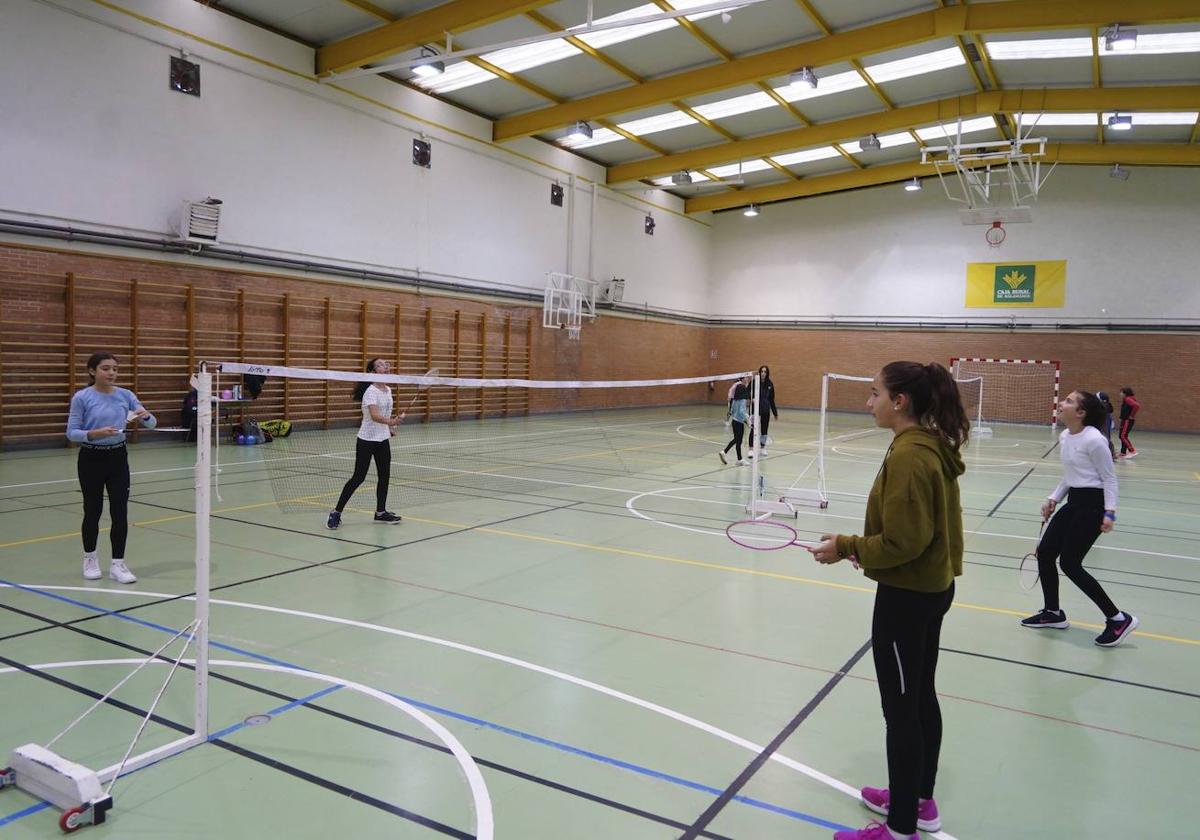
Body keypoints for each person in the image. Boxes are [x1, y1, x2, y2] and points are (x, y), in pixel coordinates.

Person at [808, 361, 968, 840]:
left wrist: (848, 547)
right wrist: (869, 552)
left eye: (874, 393)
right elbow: (928, 537)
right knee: (919, 699)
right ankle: (916, 802)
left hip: (908, 598)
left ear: (899, 402)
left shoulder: (911, 456)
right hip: (930, 587)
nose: (868, 401)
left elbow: (905, 542)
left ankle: (901, 829)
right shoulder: (925, 446)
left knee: (902, 713)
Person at [1020, 390, 1138, 646]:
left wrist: (1110, 512)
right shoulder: (1065, 436)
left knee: (1071, 564)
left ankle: (1118, 619)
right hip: (1074, 501)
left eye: (1069, 401)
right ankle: (1053, 612)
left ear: (1081, 413)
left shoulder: (1094, 440)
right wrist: (1053, 498)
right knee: (1046, 552)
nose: (1062, 403)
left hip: (1093, 506)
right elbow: (1072, 474)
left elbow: (1108, 478)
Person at [66, 352, 157, 584]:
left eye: (115, 369)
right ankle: (90, 559)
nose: (111, 373)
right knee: (92, 510)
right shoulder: (82, 397)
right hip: (91, 459)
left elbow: (153, 423)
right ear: (92, 371)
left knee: (120, 511)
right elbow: (72, 432)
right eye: (106, 368)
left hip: (118, 458)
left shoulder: (126, 395)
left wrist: (144, 416)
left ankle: (118, 564)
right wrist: (94, 434)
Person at [326, 359, 404, 529]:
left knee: (384, 476)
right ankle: (336, 512)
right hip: (366, 440)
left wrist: (390, 427)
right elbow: (375, 416)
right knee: (358, 477)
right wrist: (391, 421)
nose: (386, 366)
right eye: (381, 364)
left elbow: (385, 413)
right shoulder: (370, 391)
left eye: (386, 364)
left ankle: (380, 512)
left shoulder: (388, 389)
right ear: (372, 372)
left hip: (382, 439)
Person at [747, 365, 779, 457]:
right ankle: (751, 449)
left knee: (764, 430)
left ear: (767, 373)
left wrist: (775, 412)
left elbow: (772, 399)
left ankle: (763, 448)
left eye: (765, 372)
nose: (763, 373)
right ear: (759, 372)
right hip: (755, 410)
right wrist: (751, 398)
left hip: (765, 410)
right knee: (753, 429)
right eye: (762, 371)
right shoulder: (754, 382)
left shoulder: (770, 384)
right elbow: (748, 392)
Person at [718, 376, 750, 466]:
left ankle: (725, 453)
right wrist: (747, 420)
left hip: (734, 422)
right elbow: (741, 412)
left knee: (737, 440)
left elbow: (732, 411)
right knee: (738, 441)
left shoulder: (735, 400)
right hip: (739, 423)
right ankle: (738, 459)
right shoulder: (743, 400)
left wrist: (745, 420)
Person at [1117, 386, 1140, 458]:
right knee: (1123, 436)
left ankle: (1132, 451)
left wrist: (1131, 416)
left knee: (1122, 436)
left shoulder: (1128, 399)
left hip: (1127, 420)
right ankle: (1123, 452)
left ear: (1125, 393)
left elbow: (1136, 406)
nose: (1120, 394)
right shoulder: (1127, 399)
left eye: (1121, 392)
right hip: (1125, 420)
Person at [1096, 391, 1115, 457]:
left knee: (1105, 438)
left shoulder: (1101, 407)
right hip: (1106, 424)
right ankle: (1111, 453)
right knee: (1106, 438)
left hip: (1104, 425)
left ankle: (1110, 454)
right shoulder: (1107, 405)